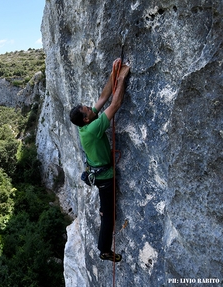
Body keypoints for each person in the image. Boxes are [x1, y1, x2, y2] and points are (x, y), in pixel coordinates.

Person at [69, 58, 130, 262]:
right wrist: (122, 78)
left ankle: (103, 239)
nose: (91, 108)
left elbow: (104, 98)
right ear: (86, 119)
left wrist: (113, 73)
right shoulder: (93, 128)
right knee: (108, 216)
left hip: (98, 173)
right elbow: (116, 103)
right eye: (88, 109)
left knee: (107, 211)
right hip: (105, 179)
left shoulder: (85, 124)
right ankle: (104, 249)